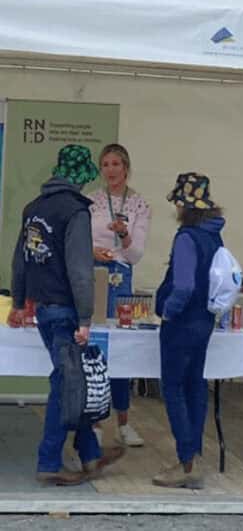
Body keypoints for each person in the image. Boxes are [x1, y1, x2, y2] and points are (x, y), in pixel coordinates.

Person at [8, 145, 125, 485]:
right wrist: (86, 318)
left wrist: (18, 302)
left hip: (42, 307)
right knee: (65, 386)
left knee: (75, 381)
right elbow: (79, 269)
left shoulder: (34, 208)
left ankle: (90, 456)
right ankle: (49, 462)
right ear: (79, 177)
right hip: (65, 310)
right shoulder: (75, 210)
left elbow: (20, 260)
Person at [152, 172, 224, 489]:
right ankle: (194, 453)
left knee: (173, 388)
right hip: (205, 320)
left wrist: (167, 314)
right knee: (196, 386)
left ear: (183, 205)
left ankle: (186, 462)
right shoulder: (214, 236)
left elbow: (182, 286)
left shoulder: (187, 237)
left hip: (181, 323)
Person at [88, 143, 151, 448]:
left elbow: (136, 254)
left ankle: (124, 422)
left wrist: (124, 233)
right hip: (94, 272)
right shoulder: (92, 201)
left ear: (126, 167)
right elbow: (78, 241)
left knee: (122, 348)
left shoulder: (139, 204)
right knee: (95, 346)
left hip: (121, 275)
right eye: (105, 164)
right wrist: (92, 250)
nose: (110, 170)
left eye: (116, 164)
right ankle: (96, 420)